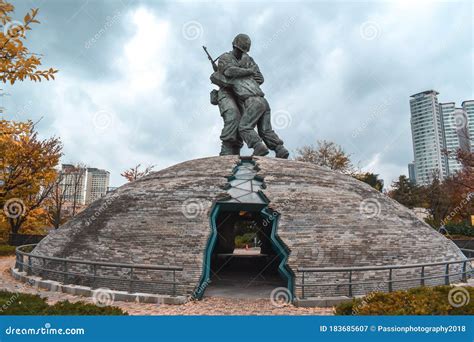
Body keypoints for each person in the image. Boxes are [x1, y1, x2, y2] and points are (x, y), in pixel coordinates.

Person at [215, 34, 289, 158]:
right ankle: (279, 148)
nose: (240, 52)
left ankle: (258, 146)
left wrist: (244, 76)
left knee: (244, 127)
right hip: (261, 100)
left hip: (251, 101)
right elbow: (229, 71)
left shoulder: (245, 65)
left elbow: (256, 76)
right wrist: (249, 74)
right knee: (265, 130)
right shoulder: (225, 58)